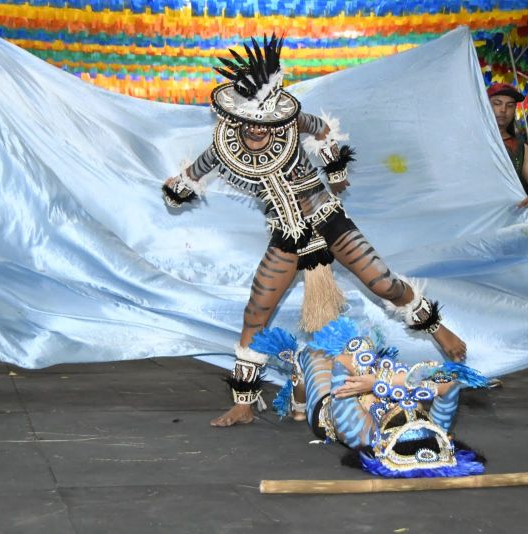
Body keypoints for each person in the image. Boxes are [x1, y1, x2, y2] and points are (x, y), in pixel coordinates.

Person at [161, 35, 466, 427]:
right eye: (253, 125)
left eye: (267, 124)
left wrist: (334, 171)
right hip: (287, 235)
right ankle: (243, 403)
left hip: (328, 218)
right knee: (257, 311)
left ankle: (440, 330)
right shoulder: (222, 149)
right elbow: (188, 178)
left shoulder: (292, 122)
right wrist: (177, 189)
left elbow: (323, 130)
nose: (261, 131)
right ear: (237, 119)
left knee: (383, 283)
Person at [250, 318, 487, 477]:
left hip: (329, 406)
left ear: (383, 442)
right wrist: (380, 382)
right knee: (366, 353)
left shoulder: (361, 433)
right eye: (420, 420)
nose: (414, 416)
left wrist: (382, 381)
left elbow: (343, 365)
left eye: (405, 424)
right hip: (372, 384)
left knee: (321, 353)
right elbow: (450, 380)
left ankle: (299, 393)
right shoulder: (435, 432)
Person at [487, 83, 528, 214]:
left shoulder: (521, 149)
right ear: (485, 106)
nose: (503, 109)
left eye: (510, 105)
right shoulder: (469, 143)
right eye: (497, 103)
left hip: (509, 225)